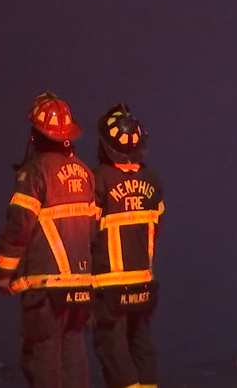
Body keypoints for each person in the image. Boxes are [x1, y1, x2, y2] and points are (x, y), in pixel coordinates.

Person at [0, 91, 98, 388]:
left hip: (45, 287)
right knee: (73, 356)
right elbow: (91, 229)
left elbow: (19, 227)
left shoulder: (34, 172)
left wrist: (4, 273)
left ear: (36, 134)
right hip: (79, 286)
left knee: (42, 358)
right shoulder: (85, 172)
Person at [90, 103, 164, 388]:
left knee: (112, 349)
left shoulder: (98, 181)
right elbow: (157, 227)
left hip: (109, 285)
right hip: (143, 282)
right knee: (141, 342)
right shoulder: (152, 180)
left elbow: (88, 232)